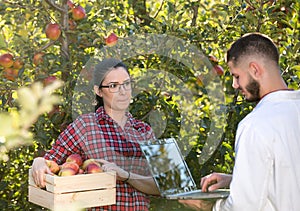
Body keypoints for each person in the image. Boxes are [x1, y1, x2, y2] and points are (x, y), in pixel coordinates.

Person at [180, 33, 300, 210]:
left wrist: (208, 207)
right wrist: (235, 179)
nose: (235, 85)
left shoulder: (255, 124)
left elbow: (243, 206)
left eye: (236, 76)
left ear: (255, 70)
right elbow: (288, 174)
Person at [32, 58, 160, 211]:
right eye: (113, 86)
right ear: (98, 91)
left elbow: (161, 186)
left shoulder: (144, 131)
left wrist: (125, 175)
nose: (123, 91)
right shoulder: (85, 126)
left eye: (126, 84)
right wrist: (39, 162)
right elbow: (50, 162)